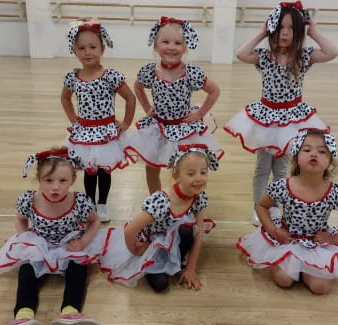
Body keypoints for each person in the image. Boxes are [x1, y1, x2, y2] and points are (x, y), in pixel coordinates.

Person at [223, 1, 337, 225]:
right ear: (273, 29)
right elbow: (240, 53)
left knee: (282, 168)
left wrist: (313, 30)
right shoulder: (264, 56)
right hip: (266, 119)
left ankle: (275, 206)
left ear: (299, 32)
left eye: (292, 28)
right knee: (262, 167)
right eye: (281, 27)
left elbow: (332, 52)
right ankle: (259, 207)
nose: (285, 33)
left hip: (291, 120)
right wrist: (261, 31)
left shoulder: (303, 56)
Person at [0, 147, 106, 325]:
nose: (55, 187)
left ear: (72, 180)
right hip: (40, 243)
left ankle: (70, 313)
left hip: (68, 242)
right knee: (27, 271)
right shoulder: (30, 200)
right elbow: (20, 218)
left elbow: (95, 222)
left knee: (78, 268)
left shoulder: (79, 202)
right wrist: (24, 237)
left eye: (62, 181)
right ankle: (23, 317)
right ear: (39, 180)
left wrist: (84, 242)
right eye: (48, 181)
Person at [237, 130, 338, 295]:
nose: (314, 154)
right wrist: (273, 230)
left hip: (317, 246)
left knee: (321, 288)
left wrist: (334, 239)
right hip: (287, 241)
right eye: (307, 150)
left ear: (329, 161)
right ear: (296, 156)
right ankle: (290, 266)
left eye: (321, 151)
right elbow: (261, 206)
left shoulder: (335, 192)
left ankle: (305, 270)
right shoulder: (284, 186)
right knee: (284, 280)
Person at [99, 144, 218, 292]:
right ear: (176, 176)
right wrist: (134, 251)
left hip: (176, 238)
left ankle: (178, 261)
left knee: (187, 230)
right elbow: (130, 230)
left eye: (203, 172)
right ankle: (158, 265)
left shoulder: (199, 197)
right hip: (153, 243)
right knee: (161, 285)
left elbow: (199, 233)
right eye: (191, 173)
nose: (199, 178)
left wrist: (191, 268)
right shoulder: (161, 201)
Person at [125, 16, 223, 194]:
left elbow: (214, 91)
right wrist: (147, 107)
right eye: (165, 42)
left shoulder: (191, 72)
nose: (171, 47)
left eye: (178, 43)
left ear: (184, 47)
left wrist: (200, 114)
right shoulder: (150, 71)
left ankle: (181, 201)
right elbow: (138, 87)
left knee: (183, 169)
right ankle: (157, 200)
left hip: (183, 129)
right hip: (158, 128)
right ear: (156, 45)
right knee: (152, 166)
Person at [62, 18, 136, 222]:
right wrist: (73, 120)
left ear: (102, 48)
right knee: (89, 170)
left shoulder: (111, 76)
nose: (88, 52)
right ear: (74, 51)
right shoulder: (73, 77)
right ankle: (88, 203)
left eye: (93, 47)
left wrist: (126, 122)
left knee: (104, 170)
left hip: (106, 132)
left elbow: (130, 98)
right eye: (82, 48)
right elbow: (65, 97)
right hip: (84, 132)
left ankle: (102, 203)